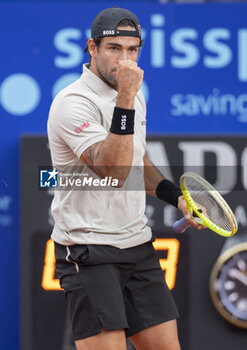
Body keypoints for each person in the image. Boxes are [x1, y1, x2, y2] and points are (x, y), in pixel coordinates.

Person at [47, 7, 204, 350]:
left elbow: (137, 161)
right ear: (92, 47)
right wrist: (126, 98)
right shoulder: (72, 102)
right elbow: (114, 173)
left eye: (132, 50)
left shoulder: (133, 96)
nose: (125, 59)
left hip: (137, 247)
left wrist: (175, 197)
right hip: (89, 251)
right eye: (114, 48)